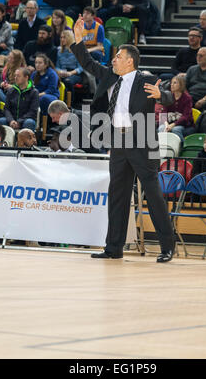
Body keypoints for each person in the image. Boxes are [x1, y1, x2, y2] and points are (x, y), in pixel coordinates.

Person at [69, 15, 175, 262]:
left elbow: (169, 96)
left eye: (117, 56)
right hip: (118, 142)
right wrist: (77, 42)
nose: (113, 59)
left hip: (143, 143)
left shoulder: (146, 79)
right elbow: (87, 63)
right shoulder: (109, 76)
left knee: (154, 196)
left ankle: (167, 247)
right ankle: (113, 248)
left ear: (130, 61)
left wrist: (162, 95)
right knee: (117, 196)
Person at [157, 74, 194, 142]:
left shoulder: (187, 98)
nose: (172, 85)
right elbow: (163, 112)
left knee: (176, 130)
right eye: (171, 83)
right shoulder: (168, 96)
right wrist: (166, 124)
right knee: (162, 128)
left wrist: (173, 125)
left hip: (183, 124)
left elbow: (186, 116)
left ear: (181, 85)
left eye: (175, 83)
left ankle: (181, 147)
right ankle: (162, 148)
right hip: (169, 122)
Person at [56, 30, 83, 99]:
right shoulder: (59, 51)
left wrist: (70, 73)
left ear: (69, 38)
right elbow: (57, 66)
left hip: (74, 73)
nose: (62, 39)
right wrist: (60, 72)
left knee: (67, 81)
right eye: (61, 37)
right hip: (62, 72)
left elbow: (80, 68)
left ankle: (70, 104)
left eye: (64, 37)